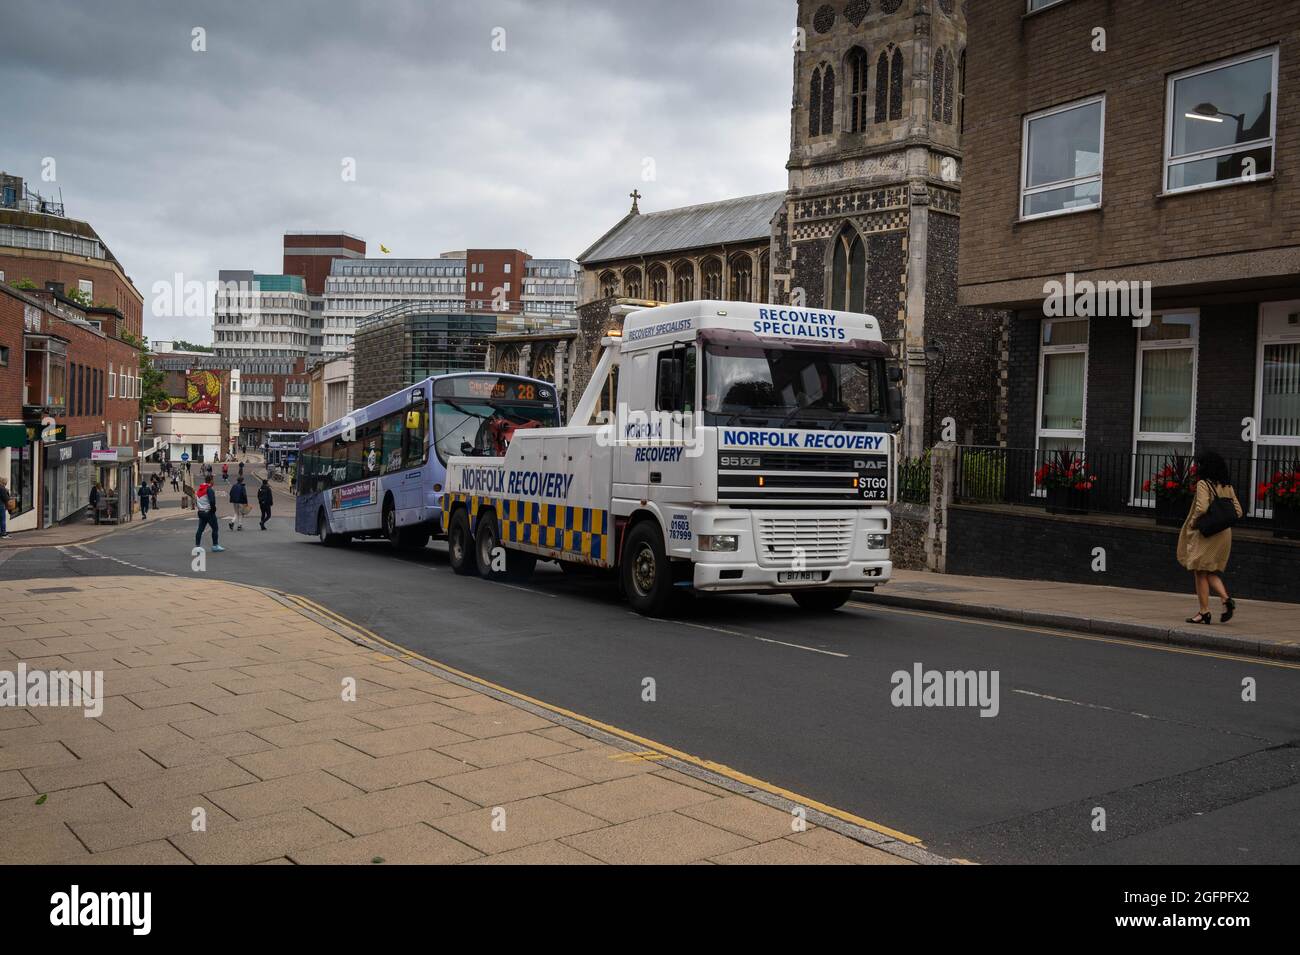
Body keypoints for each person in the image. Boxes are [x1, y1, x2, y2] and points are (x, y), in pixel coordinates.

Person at [1177, 450, 1243, 625]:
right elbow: (1239, 511)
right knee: (1208, 570)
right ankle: (1226, 600)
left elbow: (1201, 508)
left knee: (1199, 571)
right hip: (1224, 532)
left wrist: (1192, 523)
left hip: (1208, 532)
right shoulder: (1227, 487)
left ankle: (1204, 612)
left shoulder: (1203, 484)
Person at [194, 479, 224, 551]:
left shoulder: (200, 489)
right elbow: (212, 501)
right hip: (209, 512)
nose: (214, 482)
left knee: (200, 529)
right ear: (210, 481)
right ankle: (215, 546)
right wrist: (213, 509)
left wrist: (200, 508)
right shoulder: (209, 490)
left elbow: (196, 500)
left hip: (201, 512)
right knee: (215, 528)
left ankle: (197, 546)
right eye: (213, 480)